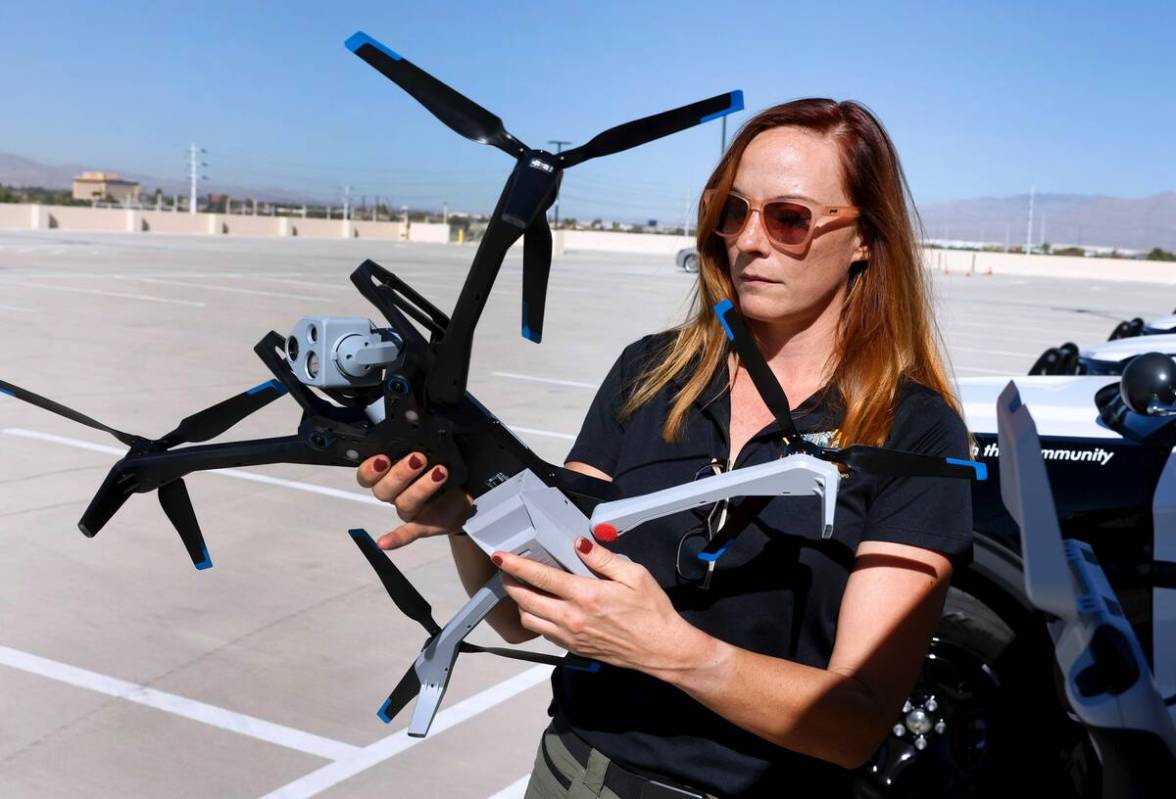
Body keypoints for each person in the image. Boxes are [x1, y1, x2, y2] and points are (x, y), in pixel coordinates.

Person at [356, 98, 972, 798]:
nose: (748, 240)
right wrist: (464, 513)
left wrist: (675, 652)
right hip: (577, 777)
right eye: (732, 211)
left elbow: (856, 720)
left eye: (789, 218)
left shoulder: (914, 433)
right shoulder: (650, 375)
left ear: (864, 237)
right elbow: (523, 613)